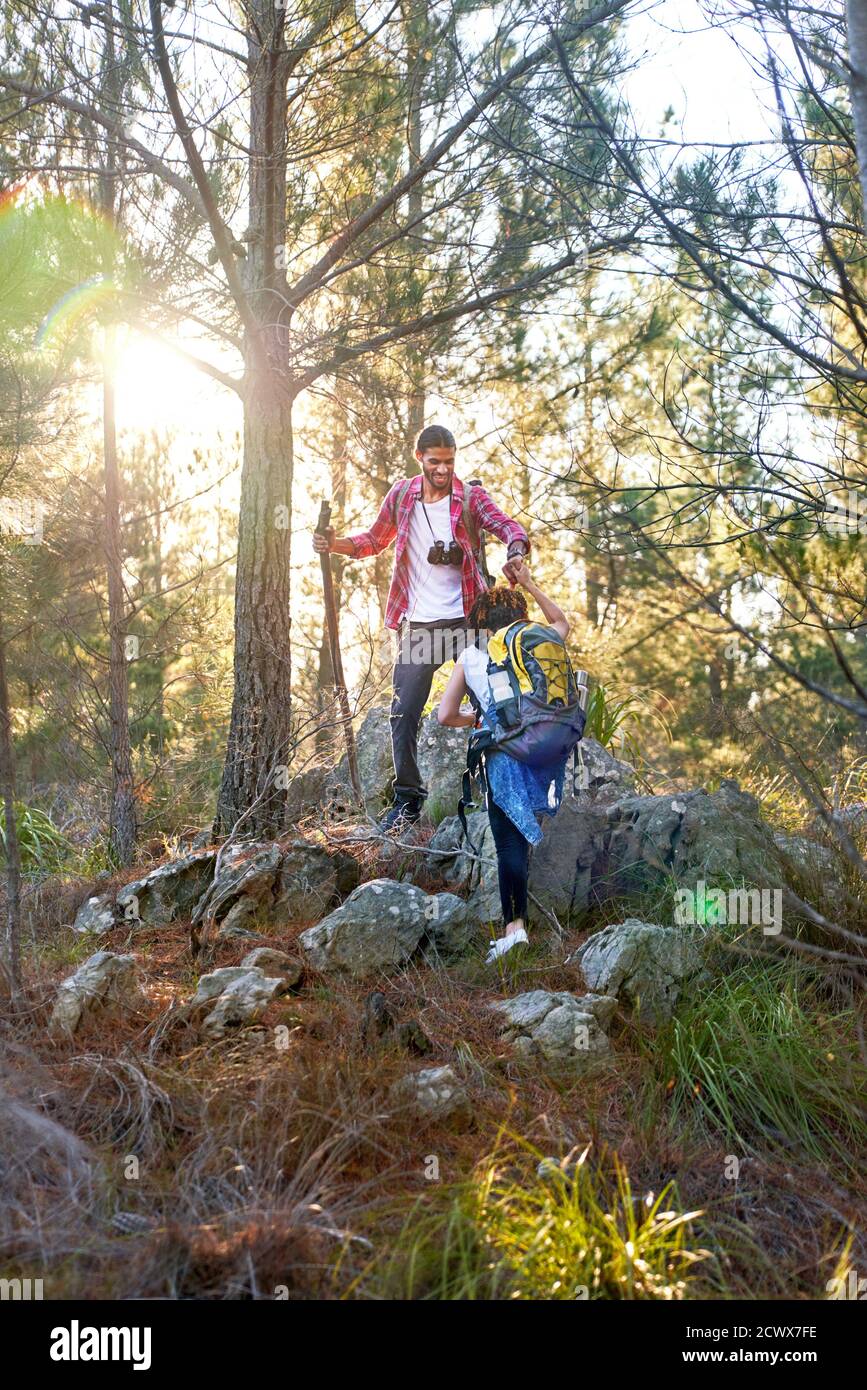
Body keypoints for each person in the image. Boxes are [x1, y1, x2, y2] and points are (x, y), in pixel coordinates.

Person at [312, 424, 530, 831]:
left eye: (449, 461)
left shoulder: (470, 498)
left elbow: (509, 527)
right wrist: (334, 544)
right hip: (421, 629)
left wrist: (515, 552)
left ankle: (496, 791)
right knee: (404, 712)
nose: (444, 470)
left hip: (468, 623)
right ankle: (408, 799)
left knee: (491, 701)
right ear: (419, 458)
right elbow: (373, 541)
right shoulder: (402, 496)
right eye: (435, 463)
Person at [436, 563, 571, 963]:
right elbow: (562, 620)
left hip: (504, 755)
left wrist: (477, 719)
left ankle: (515, 931)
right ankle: (519, 929)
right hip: (546, 751)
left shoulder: (473, 656)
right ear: (520, 616)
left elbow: (445, 714)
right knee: (523, 839)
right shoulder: (541, 641)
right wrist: (529, 581)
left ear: (482, 623)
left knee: (508, 841)